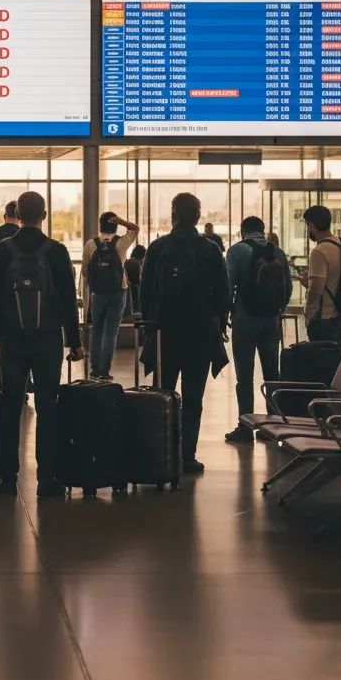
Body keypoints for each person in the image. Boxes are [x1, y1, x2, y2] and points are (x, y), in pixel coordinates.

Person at [0, 190, 84, 498]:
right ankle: (47, 478)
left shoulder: (2, 250)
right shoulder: (56, 251)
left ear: (17, 213)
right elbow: (69, 300)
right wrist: (75, 343)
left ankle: (6, 477)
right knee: (47, 407)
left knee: (10, 406)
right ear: (44, 215)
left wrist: (1, 334)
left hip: (13, 341)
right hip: (48, 340)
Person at [140, 193, 230, 475]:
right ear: (198, 217)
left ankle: (162, 454)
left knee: (163, 395)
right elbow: (224, 294)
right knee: (193, 399)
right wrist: (218, 323)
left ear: (173, 213)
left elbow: (145, 293)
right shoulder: (211, 249)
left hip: (164, 334)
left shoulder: (158, 248)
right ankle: (187, 456)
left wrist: (150, 326)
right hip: (200, 335)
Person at [223, 215, 293, 443]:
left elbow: (228, 286)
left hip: (245, 318)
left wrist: (225, 316)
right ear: (263, 231)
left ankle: (245, 427)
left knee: (245, 375)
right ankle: (272, 426)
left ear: (243, 231)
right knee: (272, 372)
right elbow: (288, 286)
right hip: (271, 319)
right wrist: (278, 309)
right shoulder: (277, 252)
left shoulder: (237, 251)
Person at [81, 211, 139, 379]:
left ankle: (95, 368)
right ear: (115, 225)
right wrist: (122, 221)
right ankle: (104, 371)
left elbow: (85, 271)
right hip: (117, 292)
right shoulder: (121, 243)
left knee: (97, 330)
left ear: (100, 225)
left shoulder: (91, 244)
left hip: (97, 293)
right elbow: (135, 228)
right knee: (110, 332)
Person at [302, 205, 341, 343]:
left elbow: (317, 289)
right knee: (337, 359)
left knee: (321, 361)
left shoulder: (319, 251)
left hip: (324, 319)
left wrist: (308, 312)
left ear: (311, 226)